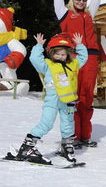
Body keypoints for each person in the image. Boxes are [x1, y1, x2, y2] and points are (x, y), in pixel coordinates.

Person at [45, 0, 106, 149]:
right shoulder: (63, 13)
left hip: (89, 57)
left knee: (86, 96)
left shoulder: (90, 14)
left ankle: (84, 136)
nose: (81, 2)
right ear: (71, 0)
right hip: (70, 58)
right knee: (71, 95)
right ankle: (70, 135)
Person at [10, 32, 87, 164]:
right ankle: (28, 145)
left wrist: (80, 45)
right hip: (52, 101)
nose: (60, 56)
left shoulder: (74, 64)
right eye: (57, 54)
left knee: (68, 124)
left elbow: (84, 58)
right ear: (51, 53)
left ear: (68, 54)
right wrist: (39, 46)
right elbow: (35, 59)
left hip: (68, 102)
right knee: (46, 123)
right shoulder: (47, 65)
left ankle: (66, 145)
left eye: (63, 54)